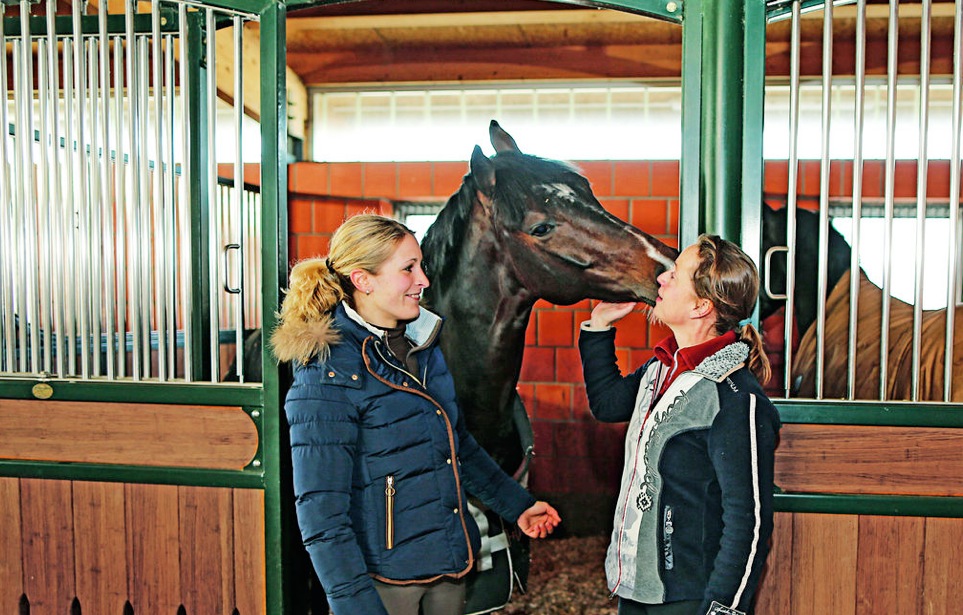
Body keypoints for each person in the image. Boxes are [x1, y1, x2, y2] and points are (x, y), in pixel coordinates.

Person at [270, 213, 560, 615]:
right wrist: (355, 607)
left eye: (420, 265)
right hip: (384, 583)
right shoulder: (328, 373)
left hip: (448, 565)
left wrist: (517, 504)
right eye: (408, 269)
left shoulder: (422, 346)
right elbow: (321, 515)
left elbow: (455, 444)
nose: (423, 280)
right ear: (362, 279)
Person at [578, 234, 781, 615]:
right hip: (637, 586)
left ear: (701, 306)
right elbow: (607, 404)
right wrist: (599, 326)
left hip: (689, 597)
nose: (662, 279)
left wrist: (724, 608)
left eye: (676, 274)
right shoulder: (662, 368)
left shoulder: (737, 398)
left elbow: (748, 522)